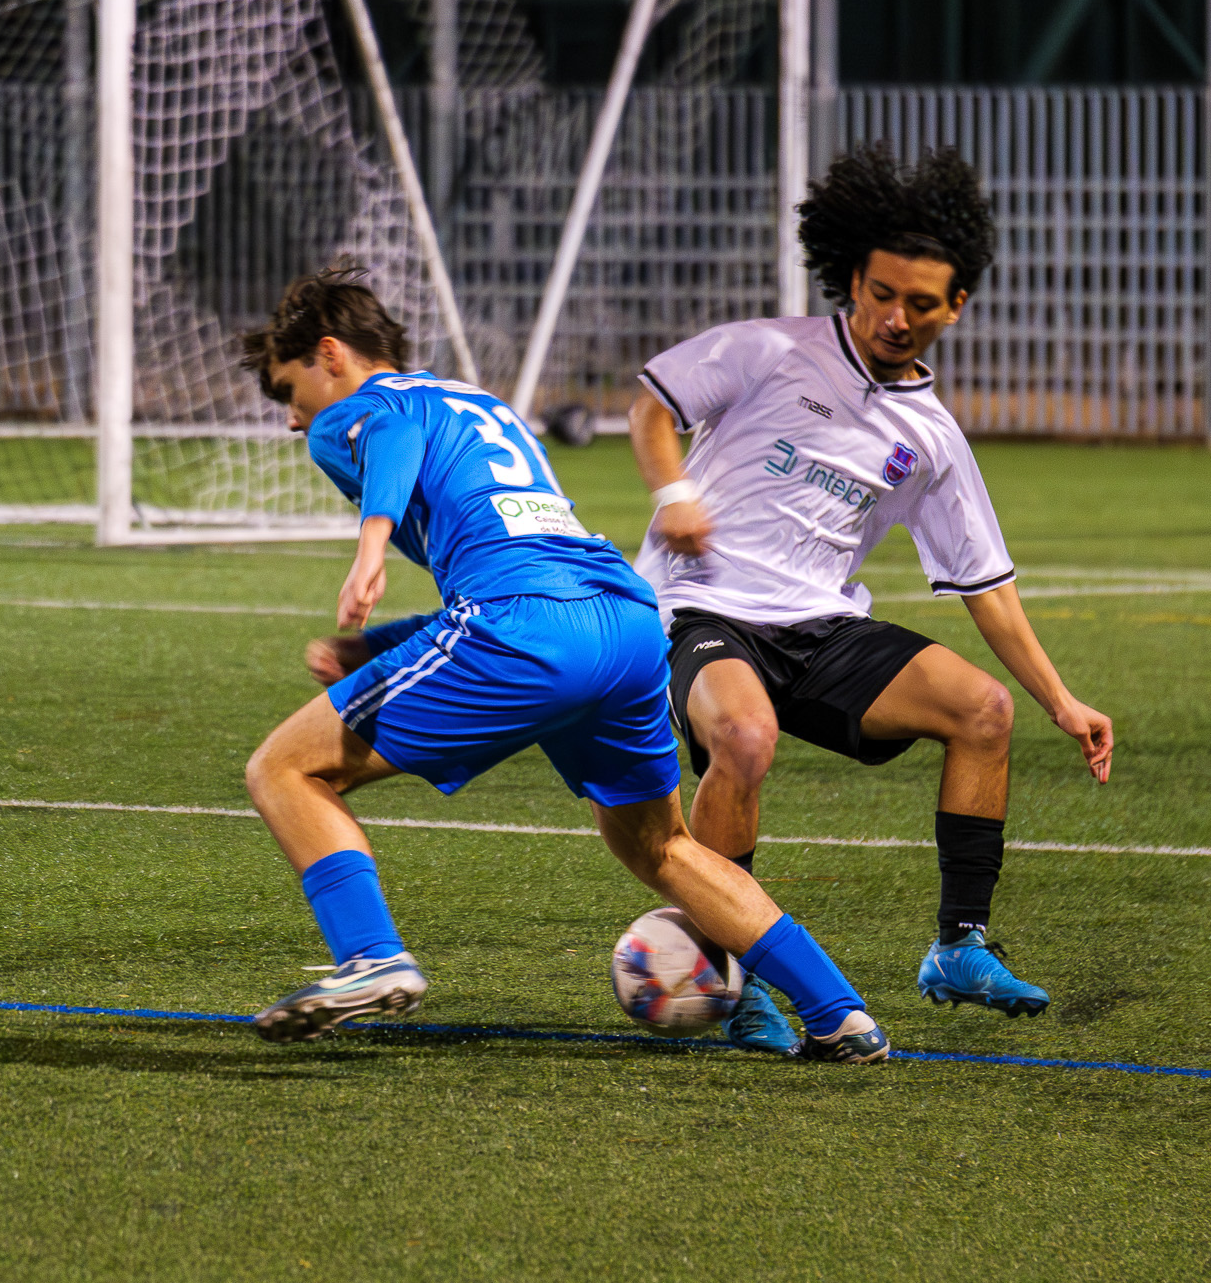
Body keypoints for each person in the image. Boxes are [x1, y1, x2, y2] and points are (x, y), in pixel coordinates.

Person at [238, 265, 889, 1062]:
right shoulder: (478, 403)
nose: (292, 417)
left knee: (284, 770)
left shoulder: (363, 411)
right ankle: (839, 1013)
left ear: (330, 354)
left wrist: (370, 546)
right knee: (661, 848)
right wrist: (373, 647)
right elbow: (522, 559)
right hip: (624, 624)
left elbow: (391, 437)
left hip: (527, 631)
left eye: (288, 390)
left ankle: (372, 958)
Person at [629, 145, 1113, 1052]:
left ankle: (960, 946)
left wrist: (1062, 700)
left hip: (820, 626)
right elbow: (652, 409)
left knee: (983, 711)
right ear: (852, 279)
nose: (896, 317)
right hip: (698, 608)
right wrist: (675, 494)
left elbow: (989, 584)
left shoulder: (930, 437)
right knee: (745, 738)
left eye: (920, 304)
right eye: (881, 294)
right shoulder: (769, 350)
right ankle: (736, 973)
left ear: (955, 305)